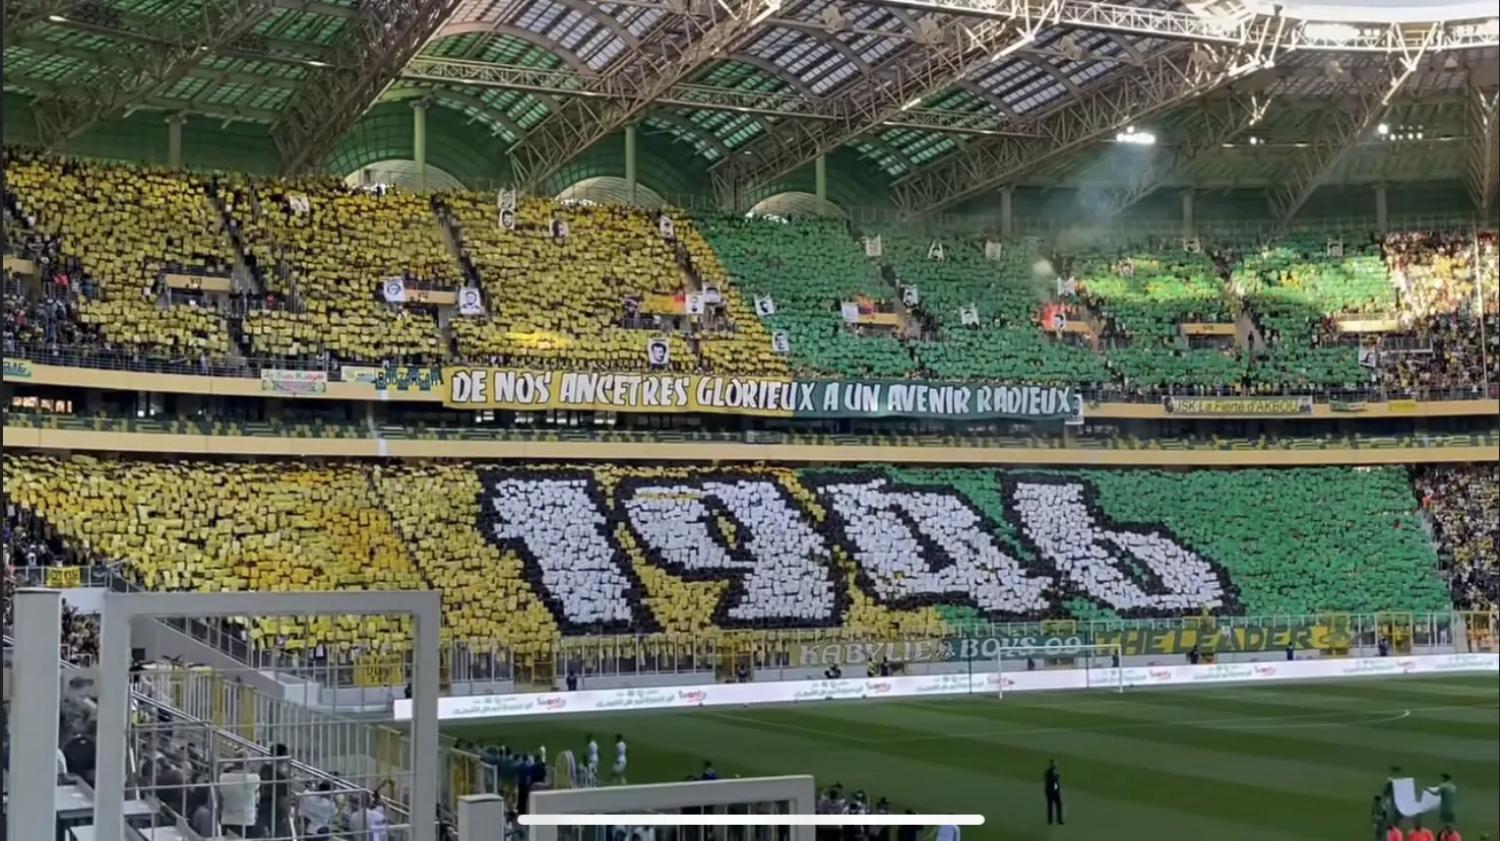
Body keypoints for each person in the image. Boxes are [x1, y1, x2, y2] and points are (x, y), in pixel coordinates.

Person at [1044, 759, 1064, 825]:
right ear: (1051, 765)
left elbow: (1055, 783)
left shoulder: (1053, 772)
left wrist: (1056, 777)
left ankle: (1057, 820)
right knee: (1051, 806)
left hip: (1054, 791)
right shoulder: (1048, 772)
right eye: (1054, 764)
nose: (1055, 765)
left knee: (1057, 805)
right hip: (1051, 792)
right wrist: (1056, 777)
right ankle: (1051, 820)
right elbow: (1051, 782)